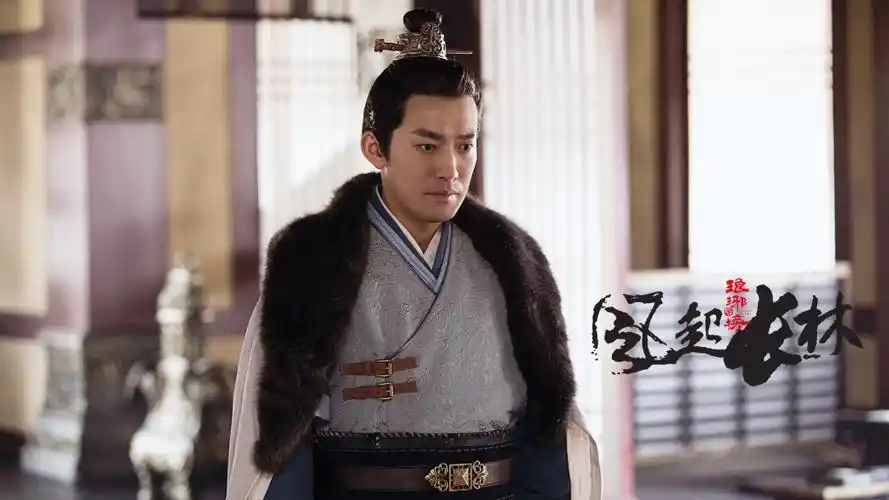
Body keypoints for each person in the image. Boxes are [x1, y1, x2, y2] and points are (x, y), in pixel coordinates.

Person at [226, 8, 601, 500]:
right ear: (375, 148)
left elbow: (547, 428)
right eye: (428, 147)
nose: (451, 168)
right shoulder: (314, 263)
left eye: (465, 145)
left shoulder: (514, 263)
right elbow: (283, 445)